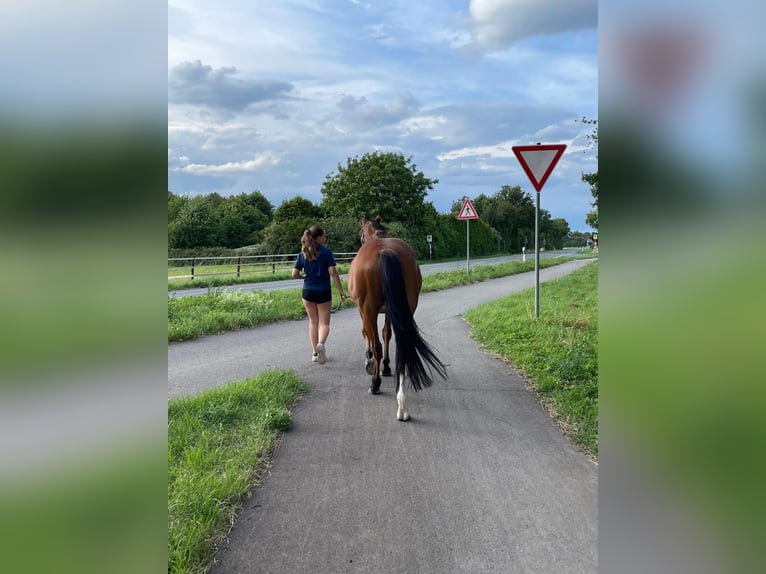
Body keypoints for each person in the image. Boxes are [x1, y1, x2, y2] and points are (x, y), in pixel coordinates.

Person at [292, 225, 347, 364]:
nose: (325, 238)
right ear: (318, 237)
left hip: (308, 291)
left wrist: (303, 278)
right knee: (324, 323)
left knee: (313, 322)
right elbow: (333, 273)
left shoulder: (302, 253)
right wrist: (342, 292)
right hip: (323, 291)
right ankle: (321, 344)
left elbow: (294, 274)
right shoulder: (327, 253)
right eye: (324, 235)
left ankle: (315, 353)